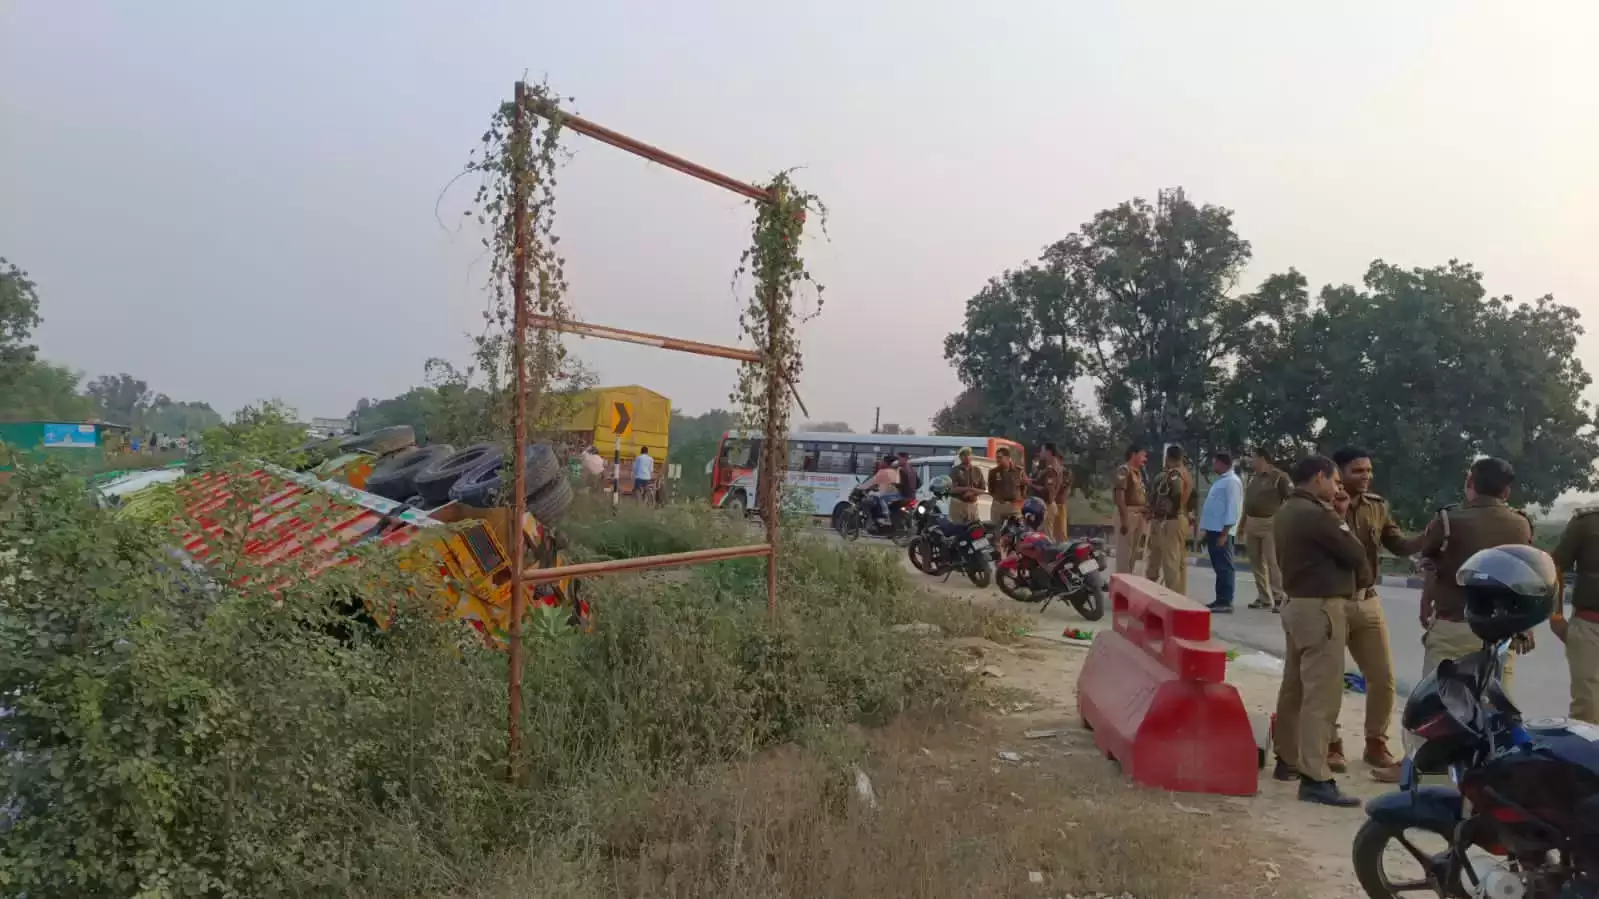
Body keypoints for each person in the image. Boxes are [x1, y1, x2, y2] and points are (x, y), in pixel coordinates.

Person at [1271, 454, 1371, 807]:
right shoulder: (1317, 514)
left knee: (1294, 687)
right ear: (1318, 478)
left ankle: (1288, 758)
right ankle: (1316, 776)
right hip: (1320, 608)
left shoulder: (1287, 510)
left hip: (1297, 604)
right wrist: (1340, 517)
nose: (1336, 488)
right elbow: (1355, 554)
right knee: (1322, 695)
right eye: (1333, 481)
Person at [1328, 446, 1425, 779]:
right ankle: (1331, 743)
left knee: (1383, 679)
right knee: (1328, 678)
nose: (1366, 476)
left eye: (1369, 470)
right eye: (1358, 471)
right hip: (1330, 600)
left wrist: (1431, 537)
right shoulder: (1321, 505)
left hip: (1367, 600)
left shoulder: (1378, 506)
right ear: (1339, 472)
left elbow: (1397, 543)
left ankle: (1375, 743)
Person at [1412, 458, 1535, 689]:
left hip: (1453, 625)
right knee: (1496, 710)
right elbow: (1526, 578)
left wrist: (1426, 602)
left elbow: (1430, 565)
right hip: (1501, 631)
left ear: (1470, 482)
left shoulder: (1448, 521)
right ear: (1506, 491)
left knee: (1436, 706)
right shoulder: (1522, 525)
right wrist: (1525, 625)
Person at [1550, 502, 1599, 723]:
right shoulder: (1587, 522)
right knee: (1588, 708)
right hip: (1589, 627)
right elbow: (1555, 566)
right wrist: (1556, 614)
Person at [1244, 449, 1293, 611]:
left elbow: (1291, 498)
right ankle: (1263, 597)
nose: (1251, 462)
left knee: (1273, 562)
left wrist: (1283, 519)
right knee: (1255, 560)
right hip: (1252, 521)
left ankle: (1279, 597)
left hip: (1270, 522)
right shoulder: (1252, 478)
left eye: (1253, 458)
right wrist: (1242, 524)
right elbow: (1248, 501)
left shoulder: (1279, 477)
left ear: (1262, 459)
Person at [1145, 444, 1193, 592]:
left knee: (1170, 563)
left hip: (1170, 521)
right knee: (1177, 563)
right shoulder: (1186, 473)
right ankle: (1179, 594)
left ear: (1168, 458)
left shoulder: (1175, 473)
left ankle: (1173, 597)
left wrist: (1171, 509)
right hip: (1179, 518)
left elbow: (1177, 492)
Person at [1200, 452, 1243, 613]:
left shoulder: (1232, 482)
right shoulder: (1223, 481)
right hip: (1214, 530)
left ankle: (1226, 601)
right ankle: (1220, 599)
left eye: (1214, 463)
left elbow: (1233, 509)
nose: (1213, 466)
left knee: (1225, 566)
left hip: (1222, 531)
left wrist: (1225, 532)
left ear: (1222, 463)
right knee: (1219, 566)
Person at [1113, 445, 1149, 573]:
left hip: (1139, 514)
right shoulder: (1124, 470)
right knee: (1124, 553)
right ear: (1133, 454)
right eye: (1143, 455)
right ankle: (1121, 583)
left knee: (1133, 554)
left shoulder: (1140, 473)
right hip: (1127, 513)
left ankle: (1128, 583)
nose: (1145, 459)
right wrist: (1124, 520)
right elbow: (1119, 496)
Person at [986, 446, 1025, 528]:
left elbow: (1024, 488)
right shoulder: (993, 472)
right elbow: (991, 489)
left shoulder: (1019, 471)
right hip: (999, 505)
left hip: (1014, 507)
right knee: (995, 530)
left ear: (1007, 458)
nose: (997, 460)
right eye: (996, 457)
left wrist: (1019, 500)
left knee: (1018, 530)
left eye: (1000, 457)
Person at [860, 455, 902, 524]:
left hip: (892, 494)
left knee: (868, 500)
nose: (881, 463)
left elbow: (872, 483)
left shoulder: (886, 472)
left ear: (887, 463)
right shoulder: (898, 470)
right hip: (900, 494)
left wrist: (862, 488)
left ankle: (880, 519)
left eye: (883, 461)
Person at [948, 447, 985, 523]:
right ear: (960, 457)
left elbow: (983, 489)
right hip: (958, 504)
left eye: (968, 455)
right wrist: (968, 489)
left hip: (973, 505)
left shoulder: (977, 470)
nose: (967, 457)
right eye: (964, 455)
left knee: (975, 527)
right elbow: (952, 489)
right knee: (957, 528)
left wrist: (972, 492)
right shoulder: (955, 470)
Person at [1043, 442, 1071, 541]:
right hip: (1052, 502)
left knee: (1061, 533)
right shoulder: (1049, 469)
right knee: (1050, 530)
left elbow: (1062, 488)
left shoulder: (1065, 472)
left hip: (1059, 503)